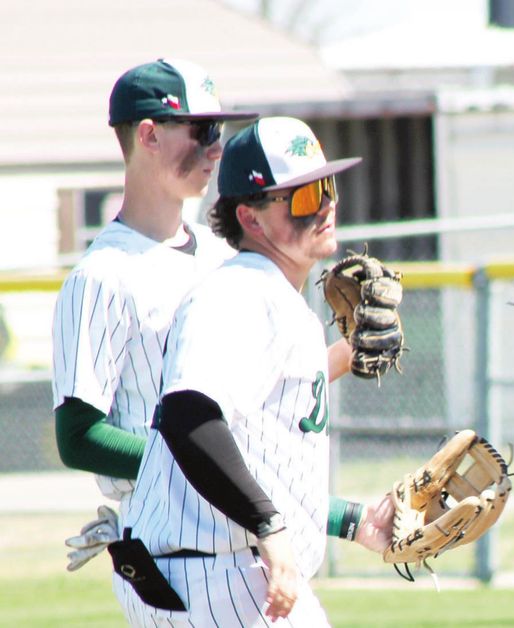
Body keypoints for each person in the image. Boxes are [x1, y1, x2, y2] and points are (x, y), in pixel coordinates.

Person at [52, 59, 356, 576]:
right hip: (177, 546)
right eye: (202, 130)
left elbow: (252, 405)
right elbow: (79, 436)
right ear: (148, 134)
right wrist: (189, 455)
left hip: (240, 532)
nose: (217, 146)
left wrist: (350, 353)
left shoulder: (224, 257)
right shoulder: (103, 275)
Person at [116, 117, 394, 626]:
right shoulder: (240, 293)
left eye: (326, 187)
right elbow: (187, 414)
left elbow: (265, 418)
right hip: (216, 573)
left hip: (219, 572)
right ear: (253, 217)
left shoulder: (273, 296)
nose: (326, 205)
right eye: (304, 196)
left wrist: (359, 524)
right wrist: (269, 528)